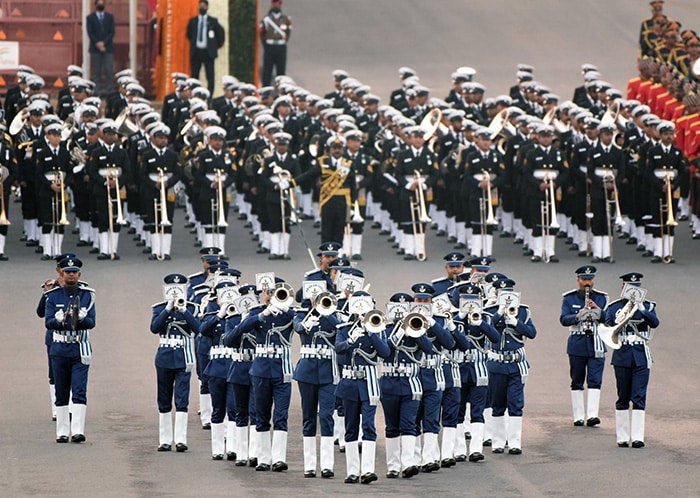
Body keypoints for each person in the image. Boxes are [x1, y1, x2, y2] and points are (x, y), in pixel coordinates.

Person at [231, 278, 296, 472]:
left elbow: (300, 325)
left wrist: (285, 308)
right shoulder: (256, 313)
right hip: (260, 369)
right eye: (269, 292)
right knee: (261, 414)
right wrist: (263, 314)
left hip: (282, 369)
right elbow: (240, 330)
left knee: (281, 415)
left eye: (276, 292)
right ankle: (264, 458)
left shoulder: (289, 314)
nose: (272, 295)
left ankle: (278, 458)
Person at [335, 291, 391, 484]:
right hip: (350, 382)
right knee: (351, 426)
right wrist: (351, 338)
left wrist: (370, 332)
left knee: (368, 425)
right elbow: (338, 349)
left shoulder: (378, 328)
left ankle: (367, 470)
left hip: (369, 382)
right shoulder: (344, 328)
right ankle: (352, 470)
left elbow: (385, 352)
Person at [43, 257, 96, 443]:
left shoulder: (88, 295)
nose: (71, 275)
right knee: (62, 389)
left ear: (79, 274)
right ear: (62, 274)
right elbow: (47, 322)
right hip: (59, 347)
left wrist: (82, 318)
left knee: (79, 389)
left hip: (80, 347)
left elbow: (92, 323)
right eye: (68, 272)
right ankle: (62, 431)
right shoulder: (53, 296)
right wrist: (57, 320)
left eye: (74, 272)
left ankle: (78, 431)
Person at [604, 272, 659, 448]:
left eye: (636, 288)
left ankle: (637, 437)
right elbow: (609, 325)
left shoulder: (648, 306)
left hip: (641, 355)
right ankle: (622, 436)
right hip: (622, 354)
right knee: (623, 396)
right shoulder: (614, 307)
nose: (633, 291)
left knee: (639, 396)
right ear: (623, 288)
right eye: (629, 288)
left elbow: (655, 323)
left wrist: (641, 309)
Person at [484, 278, 537, 455]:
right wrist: (499, 314)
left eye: (509, 294)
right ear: (497, 294)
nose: (506, 298)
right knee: (497, 403)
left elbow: (532, 333)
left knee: (515, 403)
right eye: (502, 294)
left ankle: (514, 442)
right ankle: (498, 441)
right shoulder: (489, 312)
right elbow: (486, 330)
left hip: (516, 364)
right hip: (496, 363)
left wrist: (516, 323)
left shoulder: (523, 311)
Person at [150, 273, 200, 452]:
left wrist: (184, 310)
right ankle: (164, 439)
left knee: (181, 398)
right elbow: (154, 328)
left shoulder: (192, 308)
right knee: (163, 398)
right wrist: (168, 309)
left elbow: (198, 328)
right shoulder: (159, 308)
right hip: (164, 356)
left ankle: (180, 439)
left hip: (183, 357)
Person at [559, 266, 609, 427]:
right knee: (577, 379)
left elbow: (610, 319)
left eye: (590, 279)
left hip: (596, 342)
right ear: (578, 280)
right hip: (577, 342)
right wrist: (578, 315)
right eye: (584, 279)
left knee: (595, 379)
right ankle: (578, 416)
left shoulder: (602, 298)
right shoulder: (569, 298)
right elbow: (563, 319)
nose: (587, 283)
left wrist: (598, 311)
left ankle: (593, 415)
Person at [186, 0, 225, 94]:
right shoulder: (193, 21)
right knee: (195, 75)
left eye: (203, 6)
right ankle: (194, 94)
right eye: (200, 6)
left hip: (208, 53)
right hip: (196, 52)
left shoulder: (213, 21)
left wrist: (214, 47)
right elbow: (189, 35)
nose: (201, 8)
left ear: (207, 8)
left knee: (210, 76)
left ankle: (209, 96)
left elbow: (220, 35)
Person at [86, 0, 115, 97]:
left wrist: (104, 43)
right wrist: (98, 44)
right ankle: (97, 93)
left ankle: (110, 92)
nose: (101, 4)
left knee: (109, 70)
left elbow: (112, 32)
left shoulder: (110, 17)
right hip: (95, 48)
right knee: (96, 71)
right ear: (95, 4)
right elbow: (90, 33)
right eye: (99, 3)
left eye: (102, 2)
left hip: (108, 48)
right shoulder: (90, 18)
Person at [259, 0, 292, 87]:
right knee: (267, 71)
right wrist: (266, 45)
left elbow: (288, 33)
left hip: (281, 46)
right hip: (270, 46)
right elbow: (262, 34)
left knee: (281, 71)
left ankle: (281, 90)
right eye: (274, 3)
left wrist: (283, 42)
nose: (276, 5)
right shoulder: (266, 19)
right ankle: (266, 90)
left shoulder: (285, 19)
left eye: (278, 3)